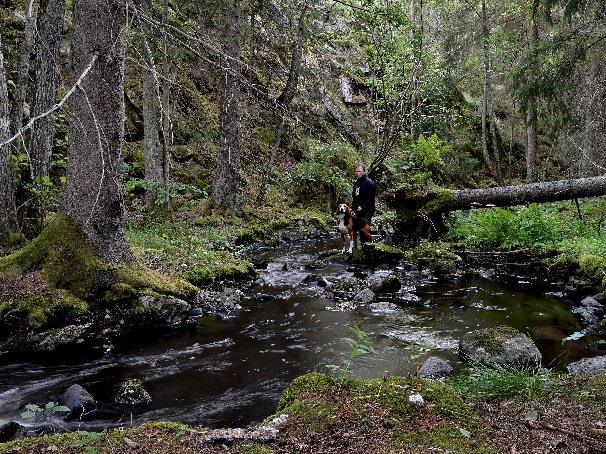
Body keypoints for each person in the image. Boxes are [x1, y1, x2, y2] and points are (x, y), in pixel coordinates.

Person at [351, 164, 376, 244]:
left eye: (360, 171)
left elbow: (371, 200)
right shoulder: (357, 183)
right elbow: (355, 197)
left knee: (365, 231)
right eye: (357, 171)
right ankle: (358, 249)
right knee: (355, 230)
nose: (358, 173)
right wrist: (353, 208)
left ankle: (369, 249)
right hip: (357, 211)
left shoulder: (370, 183)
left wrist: (362, 206)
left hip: (367, 211)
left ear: (364, 172)